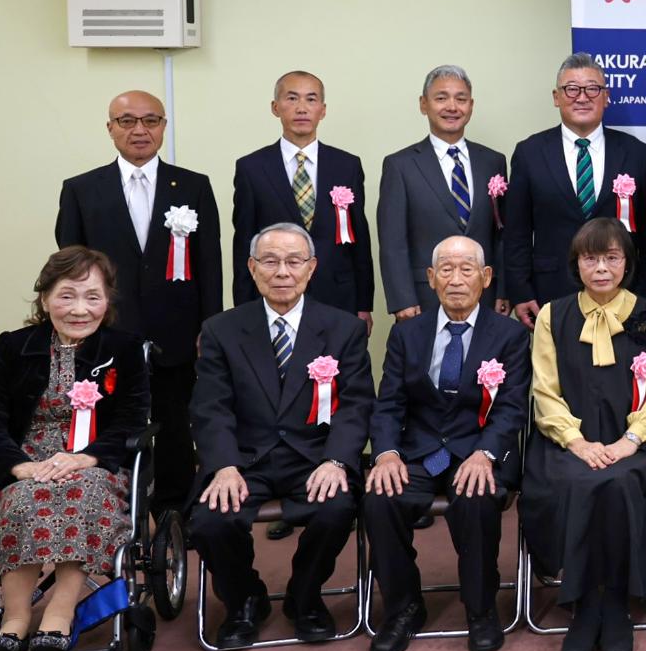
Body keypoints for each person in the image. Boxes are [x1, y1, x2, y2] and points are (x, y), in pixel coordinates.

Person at [187, 223, 372, 650]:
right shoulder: (221, 330)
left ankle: (305, 596)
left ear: (311, 268)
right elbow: (210, 407)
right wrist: (223, 465)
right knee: (211, 520)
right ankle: (244, 600)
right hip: (244, 459)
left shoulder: (343, 328)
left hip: (314, 458)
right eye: (270, 262)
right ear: (253, 269)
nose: (282, 272)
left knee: (337, 508)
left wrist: (336, 461)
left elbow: (357, 403)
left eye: (293, 261)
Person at [0, 248, 150, 651]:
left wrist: (87, 459)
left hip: (95, 466)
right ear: (45, 298)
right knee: (22, 500)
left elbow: (132, 419)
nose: (80, 309)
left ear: (107, 301)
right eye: (67, 296)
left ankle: (59, 615)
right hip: (27, 462)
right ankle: (14, 620)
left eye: (93, 297)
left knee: (81, 495)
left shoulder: (124, 348)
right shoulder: (13, 347)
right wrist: (18, 466)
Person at [363, 237, 530, 651]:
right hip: (419, 453)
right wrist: (386, 453)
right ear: (431, 278)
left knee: (476, 495)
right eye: (447, 270)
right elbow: (389, 404)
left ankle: (481, 608)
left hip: (478, 450)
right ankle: (403, 607)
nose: (456, 280)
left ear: (486, 278)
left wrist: (485, 454)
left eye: (467, 269)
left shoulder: (510, 335)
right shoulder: (407, 334)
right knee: (380, 497)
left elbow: (511, 408)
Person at [523, 218, 646, 651]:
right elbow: (545, 391)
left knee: (619, 482)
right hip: (566, 443)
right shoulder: (553, 315)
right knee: (583, 481)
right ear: (576, 264)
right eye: (590, 259)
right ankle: (586, 604)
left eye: (612, 258)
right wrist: (576, 442)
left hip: (636, 442)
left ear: (627, 262)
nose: (602, 269)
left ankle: (613, 603)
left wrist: (631, 440)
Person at [56, 90, 222, 510]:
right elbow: (69, 268)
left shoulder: (193, 185)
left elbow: (209, 264)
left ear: (164, 127)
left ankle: (174, 512)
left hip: (176, 330)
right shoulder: (81, 189)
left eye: (151, 120)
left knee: (175, 423)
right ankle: (110, 507)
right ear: (110, 128)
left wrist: (209, 327)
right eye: (127, 121)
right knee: (109, 420)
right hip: (108, 331)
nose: (139, 130)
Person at [503, 53, 646, 327]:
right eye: (572, 89)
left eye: (592, 89)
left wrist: (644, 295)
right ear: (556, 97)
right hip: (551, 293)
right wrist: (521, 291)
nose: (582, 97)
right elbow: (517, 232)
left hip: (623, 293)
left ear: (606, 96)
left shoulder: (637, 154)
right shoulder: (529, 153)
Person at [231, 70, 375, 322]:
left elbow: (360, 240)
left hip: (339, 296)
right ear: (275, 107)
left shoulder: (347, 165)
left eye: (311, 99)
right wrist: (243, 309)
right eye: (292, 98)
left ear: (323, 110)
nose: (301, 108)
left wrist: (364, 304)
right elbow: (244, 243)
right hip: (275, 296)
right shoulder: (252, 168)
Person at [376, 64, 510, 322]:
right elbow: (393, 242)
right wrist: (403, 300)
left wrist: (503, 289)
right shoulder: (400, 165)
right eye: (441, 98)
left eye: (461, 99)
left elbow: (502, 235)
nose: (452, 107)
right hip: (424, 297)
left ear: (471, 105)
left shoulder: (493, 161)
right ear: (423, 104)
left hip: (485, 296)